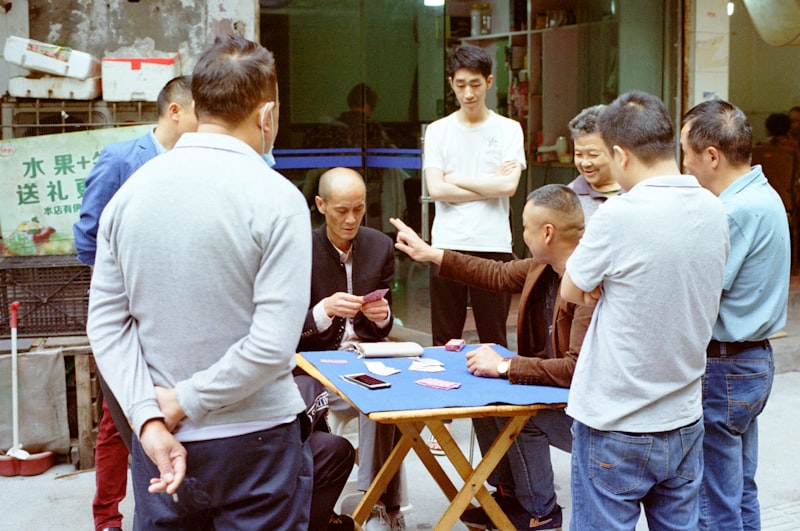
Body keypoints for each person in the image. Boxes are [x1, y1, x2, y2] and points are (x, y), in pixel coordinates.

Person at [86, 35, 313, 529]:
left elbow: (105, 326)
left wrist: (148, 416)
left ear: (198, 103)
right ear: (267, 114)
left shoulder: (130, 196)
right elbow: (273, 346)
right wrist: (184, 401)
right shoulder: (278, 199)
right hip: (257, 444)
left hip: (160, 443)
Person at [561, 90, 730, 529]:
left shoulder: (619, 214)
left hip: (615, 422)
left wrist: (601, 289)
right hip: (684, 417)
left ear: (620, 154)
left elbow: (571, 288)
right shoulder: (715, 210)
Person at [390, 183, 592, 530]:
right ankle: (507, 495)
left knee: (524, 417)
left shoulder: (588, 282)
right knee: (487, 400)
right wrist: (431, 253)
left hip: (585, 413)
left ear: (547, 233)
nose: (521, 235)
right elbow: (494, 274)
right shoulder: (542, 267)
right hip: (555, 394)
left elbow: (575, 369)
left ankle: (540, 513)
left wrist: (504, 365)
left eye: (525, 227)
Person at [72, 75, 196, 531]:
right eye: (199, 112)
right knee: (117, 418)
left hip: (179, 312)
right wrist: (123, 282)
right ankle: (107, 517)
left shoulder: (196, 165)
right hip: (126, 313)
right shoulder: (122, 158)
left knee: (168, 412)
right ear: (176, 111)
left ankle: (171, 500)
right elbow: (88, 238)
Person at [681, 99, 790, 531]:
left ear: (711, 155)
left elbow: (699, 289)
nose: (683, 163)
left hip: (725, 364)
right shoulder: (764, 195)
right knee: (740, 488)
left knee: (715, 498)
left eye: (686, 152)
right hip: (751, 361)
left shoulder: (732, 212)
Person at [423, 44, 526, 453]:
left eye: (475, 85)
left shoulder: (508, 129)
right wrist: (484, 182)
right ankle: (439, 415)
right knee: (444, 336)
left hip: (494, 246)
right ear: (451, 84)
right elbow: (435, 189)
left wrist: (457, 180)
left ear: (489, 82)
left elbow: (508, 188)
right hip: (446, 245)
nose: (468, 93)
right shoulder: (439, 130)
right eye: (460, 85)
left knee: (493, 335)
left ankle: (495, 413)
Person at [297, 166, 405, 531]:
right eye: (342, 210)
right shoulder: (300, 248)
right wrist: (323, 311)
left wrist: (383, 315)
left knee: (383, 399)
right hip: (313, 364)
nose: (351, 218)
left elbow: (385, 324)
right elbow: (282, 327)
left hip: (366, 357)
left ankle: (372, 500)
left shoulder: (379, 245)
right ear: (321, 205)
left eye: (358, 208)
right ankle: (375, 504)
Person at [567, 105, 621, 222]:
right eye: (579, 154)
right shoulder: (567, 199)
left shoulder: (640, 191)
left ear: (617, 151)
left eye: (593, 155)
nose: (585, 163)